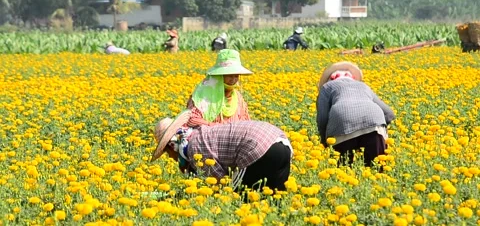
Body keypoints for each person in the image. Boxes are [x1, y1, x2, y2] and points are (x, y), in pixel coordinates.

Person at [150, 110, 293, 192]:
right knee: (274, 197)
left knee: (240, 197)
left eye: (167, 152)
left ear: (172, 145)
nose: (170, 157)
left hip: (258, 147)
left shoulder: (195, 148)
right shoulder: (201, 135)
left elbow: (220, 184)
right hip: (280, 140)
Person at [316, 61, 395, 167]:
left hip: (342, 123)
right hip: (373, 122)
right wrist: (384, 131)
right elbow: (389, 114)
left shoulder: (326, 87)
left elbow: (322, 119)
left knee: (343, 173)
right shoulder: (363, 86)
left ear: (331, 78)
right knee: (377, 169)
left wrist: (324, 142)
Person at [186, 49, 252, 127]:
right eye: (230, 75)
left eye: (236, 76)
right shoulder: (203, 95)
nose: (233, 80)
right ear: (220, 76)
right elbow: (192, 119)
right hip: (208, 136)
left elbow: (245, 121)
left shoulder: (237, 97)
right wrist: (217, 127)